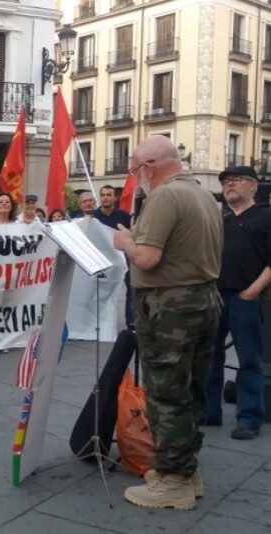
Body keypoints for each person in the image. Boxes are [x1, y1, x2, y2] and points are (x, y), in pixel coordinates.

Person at [112, 135, 222, 510]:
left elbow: (146, 258)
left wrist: (126, 241)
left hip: (169, 306)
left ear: (148, 167)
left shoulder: (163, 196)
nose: (135, 176)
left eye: (135, 169)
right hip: (204, 298)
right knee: (192, 389)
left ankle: (172, 480)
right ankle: (186, 471)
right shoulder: (204, 194)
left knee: (165, 394)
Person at [203, 166, 270, 440]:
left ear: (253, 185)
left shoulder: (266, 215)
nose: (229, 184)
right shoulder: (222, 219)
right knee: (210, 357)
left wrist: (253, 291)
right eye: (225, 181)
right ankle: (209, 411)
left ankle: (250, 417)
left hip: (245, 298)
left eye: (236, 180)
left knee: (249, 359)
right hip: (215, 297)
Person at [93, 184, 135, 328]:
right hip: (102, 260)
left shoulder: (123, 216)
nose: (105, 198)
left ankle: (132, 323)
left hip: (123, 258)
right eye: (103, 195)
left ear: (114, 197)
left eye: (109, 195)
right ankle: (99, 324)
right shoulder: (93, 217)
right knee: (100, 291)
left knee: (131, 288)